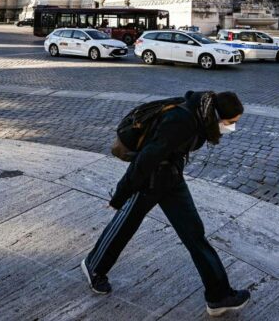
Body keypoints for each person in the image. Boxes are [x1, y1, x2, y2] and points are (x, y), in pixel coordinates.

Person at [81, 91, 251, 317]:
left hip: (171, 178)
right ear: (217, 115)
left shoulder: (201, 114)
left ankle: (219, 297)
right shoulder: (182, 121)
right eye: (230, 123)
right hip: (150, 180)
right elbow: (146, 158)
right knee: (125, 225)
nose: (231, 128)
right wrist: (120, 195)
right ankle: (94, 266)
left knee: (194, 234)